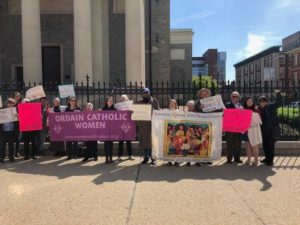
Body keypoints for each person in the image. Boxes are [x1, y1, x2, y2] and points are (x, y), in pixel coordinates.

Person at [257, 91, 282, 166]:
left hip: (271, 130)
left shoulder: (271, 107)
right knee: (265, 145)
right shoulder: (259, 109)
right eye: (261, 101)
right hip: (263, 130)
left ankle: (270, 160)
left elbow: (279, 103)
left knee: (270, 146)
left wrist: (278, 94)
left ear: (266, 102)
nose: (262, 103)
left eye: (264, 101)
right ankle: (267, 158)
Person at [137, 88, 160, 165]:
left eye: (146, 93)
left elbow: (158, 111)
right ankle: (146, 157)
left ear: (149, 93)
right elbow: (135, 112)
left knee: (152, 141)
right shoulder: (139, 101)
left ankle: (153, 158)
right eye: (144, 93)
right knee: (144, 142)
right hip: (143, 124)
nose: (145, 94)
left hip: (152, 124)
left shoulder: (154, 101)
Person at [242, 97, 262, 166]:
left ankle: (256, 161)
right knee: (247, 146)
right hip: (246, 130)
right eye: (248, 101)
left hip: (254, 130)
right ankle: (249, 160)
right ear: (246, 102)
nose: (249, 102)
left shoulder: (256, 109)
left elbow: (259, 120)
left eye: (251, 101)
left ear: (253, 102)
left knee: (255, 146)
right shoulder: (242, 109)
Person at [225, 91, 242, 164]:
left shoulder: (240, 105)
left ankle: (237, 158)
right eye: (233, 96)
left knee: (238, 144)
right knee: (229, 144)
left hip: (238, 128)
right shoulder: (227, 105)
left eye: (236, 96)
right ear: (231, 97)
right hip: (230, 127)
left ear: (239, 97)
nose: (235, 98)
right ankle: (229, 158)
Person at [0, 98, 17, 163]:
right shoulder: (2, 111)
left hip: (11, 131)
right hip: (3, 131)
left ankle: (11, 157)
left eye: (13, 103)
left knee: (11, 145)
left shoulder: (15, 111)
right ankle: (2, 158)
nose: (11, 104)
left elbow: (18, 120)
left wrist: (17, 116)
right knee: (2, 145)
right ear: (7, 103)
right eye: (10, 103)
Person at [117, 95, 133, 161]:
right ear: (120, 99)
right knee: (120, 141)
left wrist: (130, 110)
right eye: (122, 99)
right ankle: (119, 155)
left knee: (128, 141)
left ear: (127, 99)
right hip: (120, 126)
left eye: (124, 99)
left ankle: (130, 155)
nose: (123, 100)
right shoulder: (118, 106)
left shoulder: (130, 106)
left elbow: (133, 114)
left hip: (128, 125)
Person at [166, 99, 180, 167]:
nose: (172, 104)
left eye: (173, 103)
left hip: (176, 131)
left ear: (175, 104)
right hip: (170, 130)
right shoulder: (166, 111)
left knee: (176, 145)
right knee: (170, 145)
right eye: (171, 103)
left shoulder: (178, 111)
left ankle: (177, 161)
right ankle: (169, 160)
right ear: (169, 104)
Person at [102, 96, 116, 163]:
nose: (110, 102)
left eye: (111, 101)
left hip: (112, 129)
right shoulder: (103, 109)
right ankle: (106, 158)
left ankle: (110, 158)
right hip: (105, 129)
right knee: (106, 144)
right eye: (109, 101)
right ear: (106, 102)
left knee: (111, 144)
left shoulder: (114, 109)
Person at [185, 100, 194, 166]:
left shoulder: (197, 112)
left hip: (193, 132)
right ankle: (188, 160)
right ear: (187, 106)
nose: (190, 107)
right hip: (188, 132)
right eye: (189, 105)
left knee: (193, 146)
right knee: (187, 146)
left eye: (192, 105)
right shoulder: (185, 113)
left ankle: (196, 161)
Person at [13, 92, 22, 157]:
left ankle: (17, 152)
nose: (17, 97)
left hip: (18, 123)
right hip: (11, 123)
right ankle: (11, 153)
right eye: (16, 96)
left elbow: (24, 113)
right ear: (13, 97)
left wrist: (19, 115)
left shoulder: (21, 104)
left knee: (17, 139)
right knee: (10, 139)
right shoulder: (10, 104)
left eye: (18, 96)